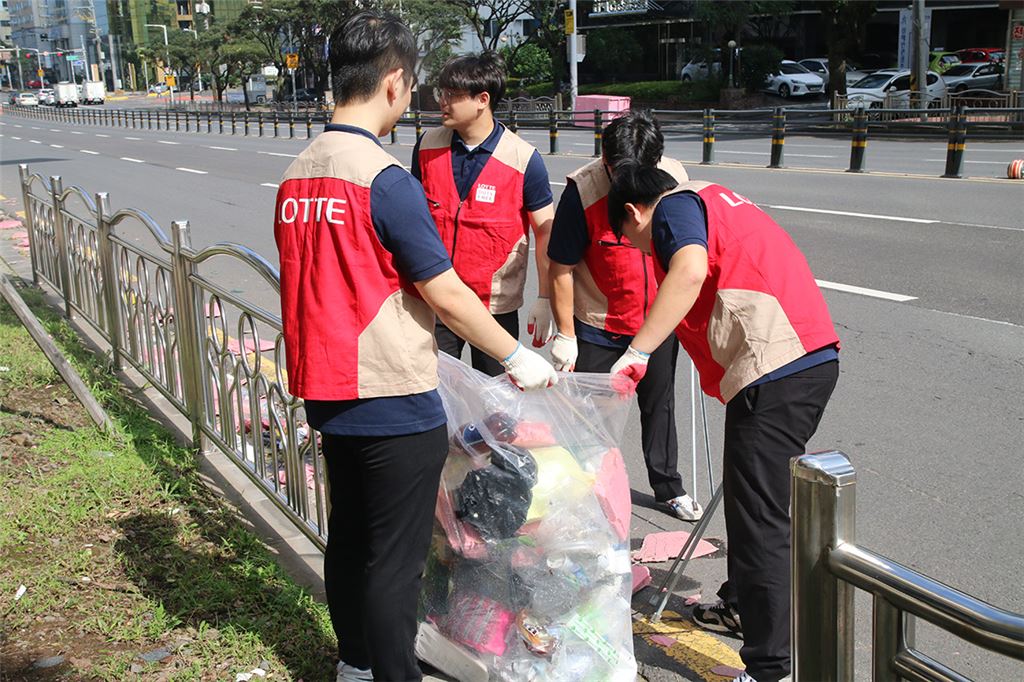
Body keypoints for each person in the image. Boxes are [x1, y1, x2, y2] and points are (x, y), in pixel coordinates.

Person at [273, 12, 557, 682]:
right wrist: (517, 357)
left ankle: (354, 664)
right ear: (394, 82)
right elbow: (449, 294)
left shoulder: (297, 174)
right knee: (396, 560)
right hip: (392, 396)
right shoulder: (383, 179)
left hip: (328, 389)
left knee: (349, 536)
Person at [606, 166, 840, 682]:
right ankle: (741, 605)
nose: (649, 255)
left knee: (759, 520)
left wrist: (638, 351)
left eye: (639, 245)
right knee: (749, 499)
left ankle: (768, 668)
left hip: (777, 367)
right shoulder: (712, 197)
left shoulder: (672, 208)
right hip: (802, 357)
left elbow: (689, 271)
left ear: (633, 212)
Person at [546, 110, 703, 521]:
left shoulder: (672, 178)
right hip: (599, 322)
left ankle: (668, 486)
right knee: (588, 414)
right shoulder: (581, 192)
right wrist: (565, 333)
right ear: (605, 161)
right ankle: (583, 489)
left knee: (659, 404)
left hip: (655, 322)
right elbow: (561, 265)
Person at [412, 52, 557, 375]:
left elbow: (546, 232)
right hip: (438, 298)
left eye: (452, 95)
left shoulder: (523, 159)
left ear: (482, 99)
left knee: (498, 407)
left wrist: (545, 298)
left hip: (494, 306)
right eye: (442, 93)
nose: (443, 102)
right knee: (434, 396)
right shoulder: (426, 147)